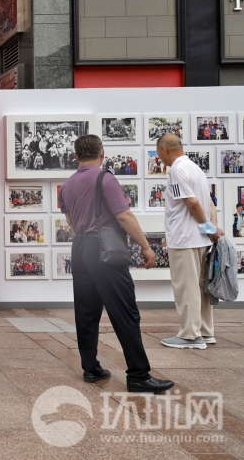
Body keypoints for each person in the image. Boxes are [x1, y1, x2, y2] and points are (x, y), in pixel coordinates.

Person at [59, 135, 173, 393]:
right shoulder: (104, 178)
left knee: (86, 311)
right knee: (125, 311)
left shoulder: (67, 185)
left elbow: (71, 223)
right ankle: (138, 375)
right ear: (102, 153)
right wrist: (146, 246)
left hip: (80, 249)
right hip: (105, 250)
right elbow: (123, 215)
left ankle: (91, 368)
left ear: (76, 156)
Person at [155, 134, 223, 350]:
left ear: (164, 149)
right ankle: (205, 331)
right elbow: (209, 203)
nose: (160, 159)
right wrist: (211, 227)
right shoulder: (195, 168)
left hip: (184, 238)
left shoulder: (176, 169)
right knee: (201, 286)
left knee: (186, 287)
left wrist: (209, 227)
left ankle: (190, 335)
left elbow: (192, 203)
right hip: (200, 239)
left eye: (159, 154)